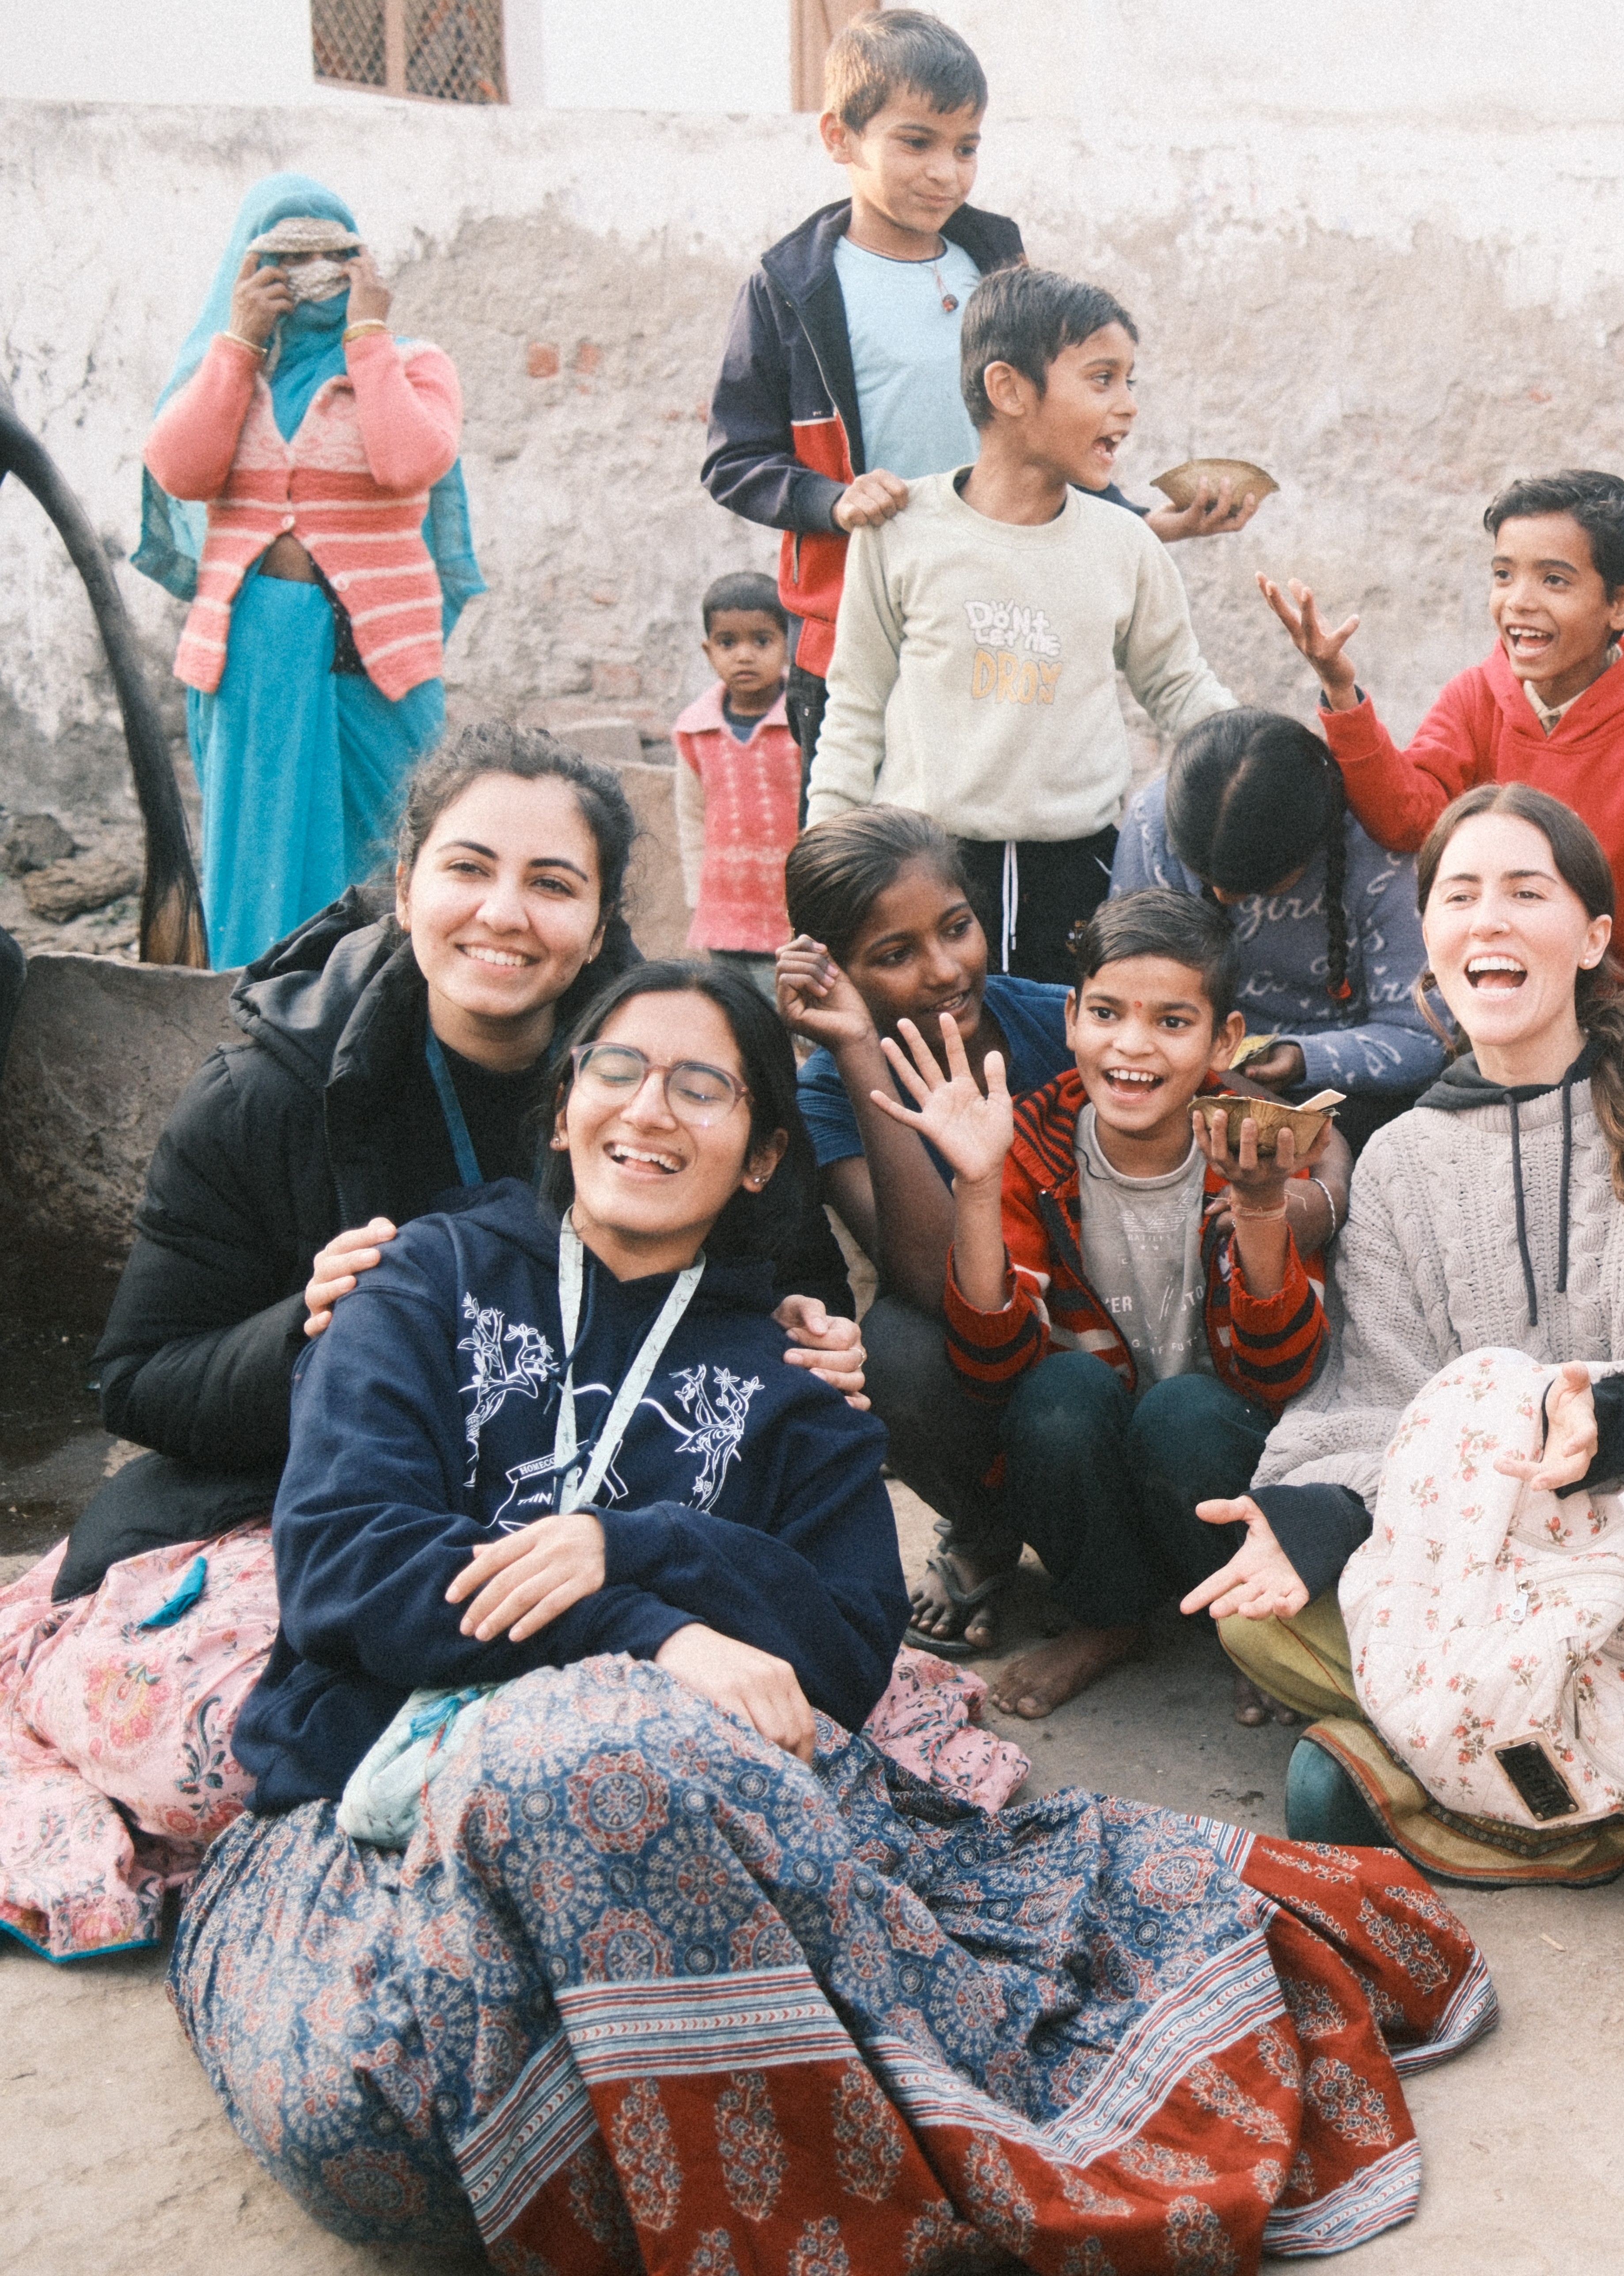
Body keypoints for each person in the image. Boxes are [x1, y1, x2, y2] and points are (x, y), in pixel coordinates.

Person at [170, 960, 1492, 2268]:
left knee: (590, 1767)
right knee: (390, 2107)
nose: (649, 1111)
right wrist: (655, 1630)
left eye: (704, 1087)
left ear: (756, 1157)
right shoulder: (426, 1282)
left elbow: (851, 1648)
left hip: (672, 1830)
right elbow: (344, 1564)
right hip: (365, 1809)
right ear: (566, 1104)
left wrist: (641, 1542)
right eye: (618, 1071)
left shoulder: (787, 1371)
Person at [1201, 785, 1624, 1928]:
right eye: (1460, 895)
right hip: (1486, 1574)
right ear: (1433, 944)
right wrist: (1316, 1518)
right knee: (1254, 1610)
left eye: (1525, 891)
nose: (1488, 920)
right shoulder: (1399, 1160)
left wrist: (1611, 1421)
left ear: (1595, 936)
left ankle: (1481, 1783)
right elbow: (1378, 1405)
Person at [77, 728, 860, 1602]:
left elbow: (805, 1292)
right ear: (406, 891)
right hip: (333, 1504)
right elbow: (140, 1380)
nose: (504, 914)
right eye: (469, 869)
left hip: (615, 1506)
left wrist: (805, 1333)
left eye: (553, 884)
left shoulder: (685, 1088)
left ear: (602, 923)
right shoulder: (267, 1097)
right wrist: (301, 1327)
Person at [776, 808, 1348, 1658]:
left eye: (957, 929)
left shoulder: (1083, 1020)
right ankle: (1025, 1548)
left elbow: (1301, 1129)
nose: (942, 971)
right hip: (1039, 1345)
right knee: (945, 1364)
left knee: (1186, 1413)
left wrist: (1298, 1203)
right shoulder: (1000, 1132)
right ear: (838, 976)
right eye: (893, 956)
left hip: (1198, 1383)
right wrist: (872, 1061)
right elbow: (939, 1293)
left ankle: (1231, 1614)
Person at [702, 8, 1253, 766]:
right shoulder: (790, 289)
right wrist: (831, 502)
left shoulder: (998, 263)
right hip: (856, 631)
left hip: (1003, 621)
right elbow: (734, 459)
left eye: (966, 147)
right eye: (916, 142)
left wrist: (1145, 521)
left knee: (994, 834)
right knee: (863, 859)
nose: (945, 172)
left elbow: (1040, 428)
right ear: (839, 138)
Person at [873, 891, 1330, 1719]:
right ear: (1073, 1015)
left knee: (1185, 1411)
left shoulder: (1255, 1144)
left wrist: (1262, 1208)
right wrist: (977, 1185)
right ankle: (1109, 1616)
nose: (1131, 1045)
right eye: (1108, 1013)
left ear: (1224, 1039)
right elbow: (992, 1364)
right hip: (1089, 1477)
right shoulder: (1037, 1140)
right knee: (1053, 1397)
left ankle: (1242, 1622)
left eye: (1171, 1021)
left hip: (1213, 1463)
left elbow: (1284, 1375)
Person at [804, 265, 1243, 982]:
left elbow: (1178, 688)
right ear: (1008, 389)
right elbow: (853, 704)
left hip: (1081, 872)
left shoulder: (1123, 543)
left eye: (1131, 381)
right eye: (1102, 379)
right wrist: (823, 864)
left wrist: (1259, 768)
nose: (1128, 407)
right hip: (923, 875)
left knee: (1059, 1072)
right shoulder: (900, 529)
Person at [135, 174, 481, 971]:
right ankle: (261, 1017)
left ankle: (383, 1013)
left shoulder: (413, 363)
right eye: (290, 257)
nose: (315, 270)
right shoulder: (224, 366)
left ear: (363, 261)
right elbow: (181, 469)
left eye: (336, 253)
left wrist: (366, 336)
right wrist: (239, 344)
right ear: (250, 268)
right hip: (253, 647)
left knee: (392, 837)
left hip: (379, 658)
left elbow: (408, 460)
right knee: (258, 844)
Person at [1258, 469, 1624, 1002]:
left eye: (1554, 580)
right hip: (1493, 1005)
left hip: (1619, 1023)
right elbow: (1407, 819)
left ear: (1622, 603)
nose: (1519, 601)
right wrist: (1342, 693)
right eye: (1504, 575)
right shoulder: (1477, 698)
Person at [1113, 705, 1442, 1144]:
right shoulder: (1153, 824)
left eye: (1255, 886)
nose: (1225, 898)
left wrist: (1305, 1058)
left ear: (1313, 847)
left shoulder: (1385, 853)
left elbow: (1423, 1038)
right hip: (1191, 1072)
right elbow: (1130, 994)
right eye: (1204, 879)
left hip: (1347, 1093)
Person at [668, 568, 804, 992]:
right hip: (723, 912)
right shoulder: (695, 731)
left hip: (791, 915)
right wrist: (698, 897)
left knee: (790, 1021)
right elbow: (691, 819)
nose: (744, 655)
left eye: (762, 641)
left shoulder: (804, 722)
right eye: (729, 643)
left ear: (788, 645)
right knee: (733, 1015)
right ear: (709, 651)